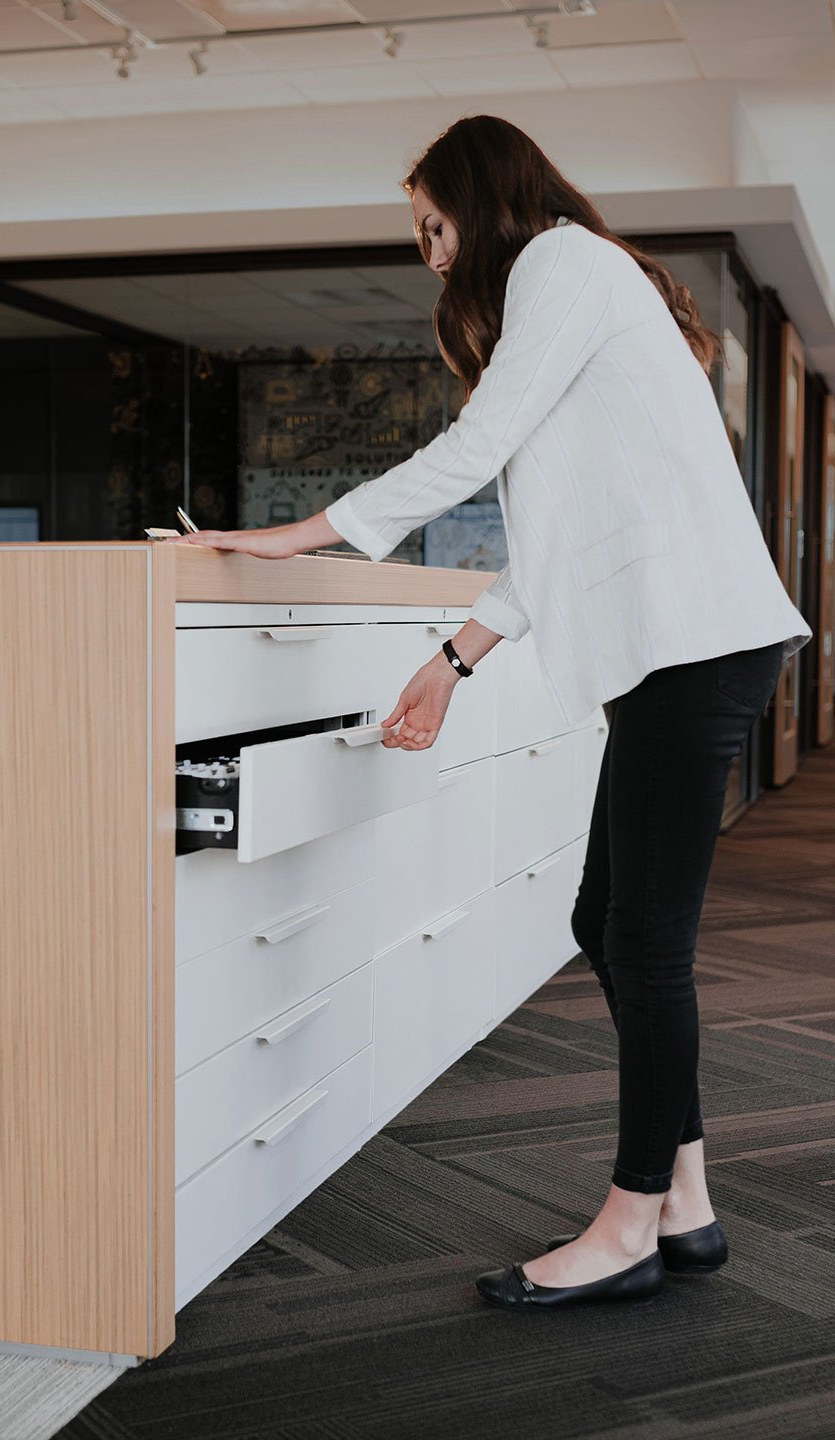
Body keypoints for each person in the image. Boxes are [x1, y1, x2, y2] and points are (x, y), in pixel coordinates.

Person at [168, 114, 812, 1309]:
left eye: (433, 225)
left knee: (643, 941)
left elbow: (474, 449)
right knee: (606, 918)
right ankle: (688, 1202)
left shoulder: (564, 262)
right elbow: (558, 545)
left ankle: (631, 1223)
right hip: (679, 652)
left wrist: (305, 532)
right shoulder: (578, 286)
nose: (430, 254)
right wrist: (449, 663)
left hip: (697, 647)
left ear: (480, 197)